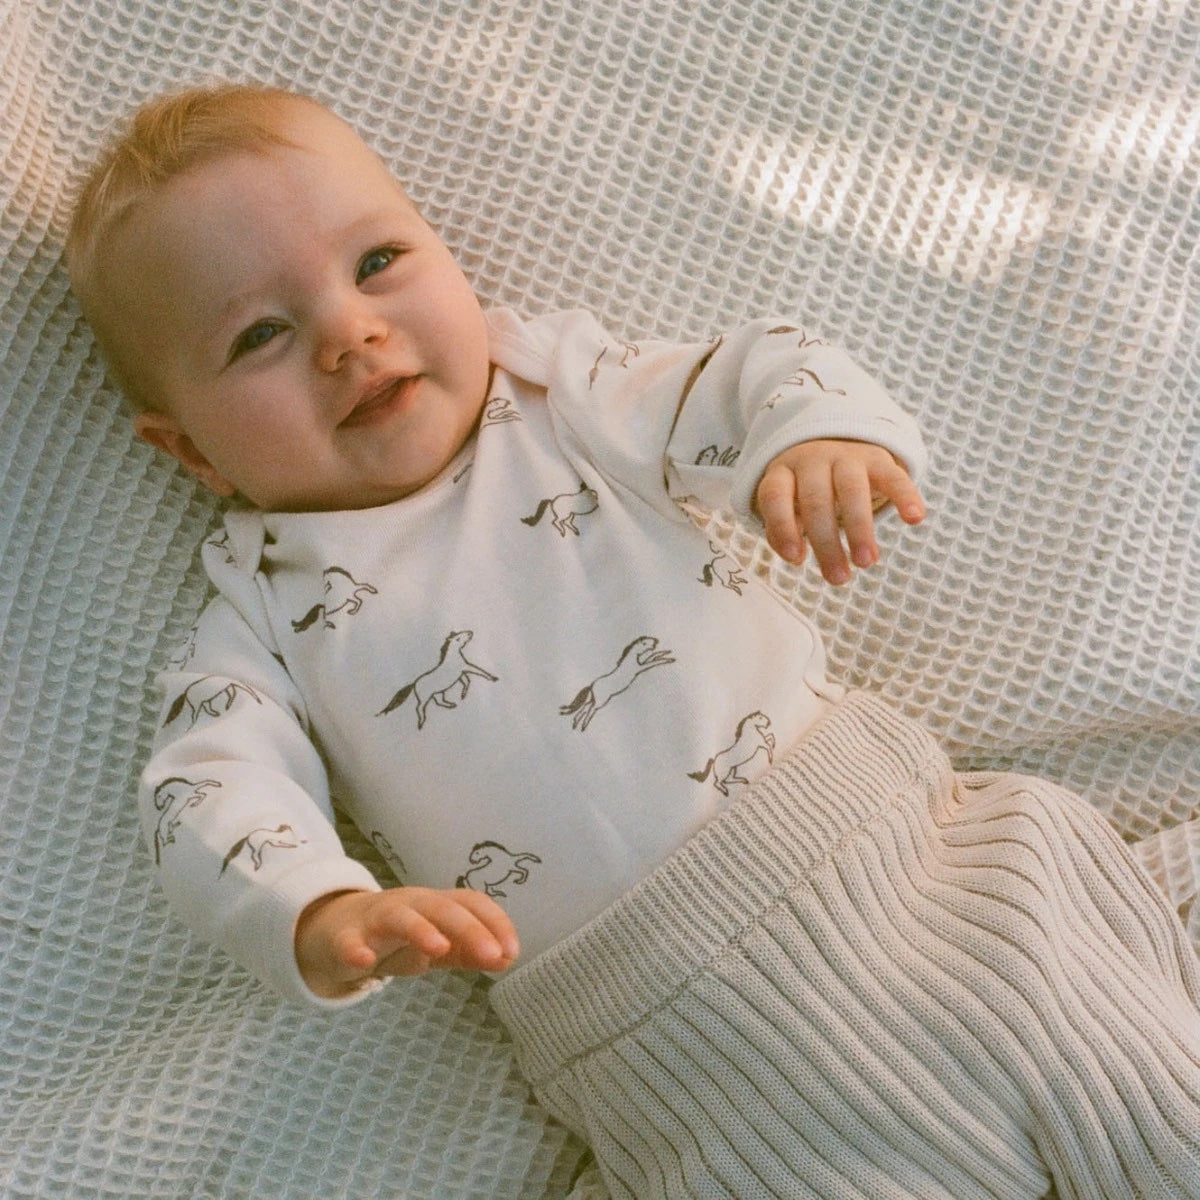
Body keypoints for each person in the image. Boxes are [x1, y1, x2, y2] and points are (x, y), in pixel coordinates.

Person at [66, 84, 1200, 1199]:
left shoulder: (561, 396)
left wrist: (811, 439)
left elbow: (747, 372)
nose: (347, 333)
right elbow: (206, 791)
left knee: (1158, 1106)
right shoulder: (261, 617)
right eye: (261, 334)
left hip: (940, 894)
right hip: (703, 1079)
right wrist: (316, 908)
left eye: (377, 263)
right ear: (192, 452)